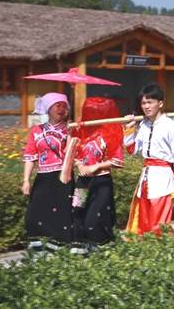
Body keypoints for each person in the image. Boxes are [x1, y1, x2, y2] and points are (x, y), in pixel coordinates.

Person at [124, 84, 174, 236]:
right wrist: (129, 129)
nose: (146, 106)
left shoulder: (171, 127)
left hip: (163, 177)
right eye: (143, 103)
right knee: (143, 218)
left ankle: (163, 247)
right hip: (146, 177)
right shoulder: (143, 125)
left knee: (160, 219)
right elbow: (132, 150)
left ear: (160, 103)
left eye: (150, 102)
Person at [71, 97, 123, 253]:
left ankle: (100, 246)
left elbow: (117, 161)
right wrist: (80, 165)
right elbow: (74, 153)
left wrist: (96, 166)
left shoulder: (110, 133)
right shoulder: (81, 131)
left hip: (101, 182)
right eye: (90, 112)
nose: (93, 115)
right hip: (82, 181)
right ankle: (81, 247)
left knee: (95, 216)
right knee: (77, 210)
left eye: (97, 112)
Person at [21, 92, 73, 251]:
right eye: (57, 105)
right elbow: (30, 156)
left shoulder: (70, 129)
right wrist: (25, 180)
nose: (61, 109)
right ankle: (34, 240)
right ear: (48, 108)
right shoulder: (36, 131)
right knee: (35, 209)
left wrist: (72, 134)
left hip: (63, 175)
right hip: (43, 176)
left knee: (63, 209)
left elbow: (74, 152)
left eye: (64, 105)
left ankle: (58, 240)